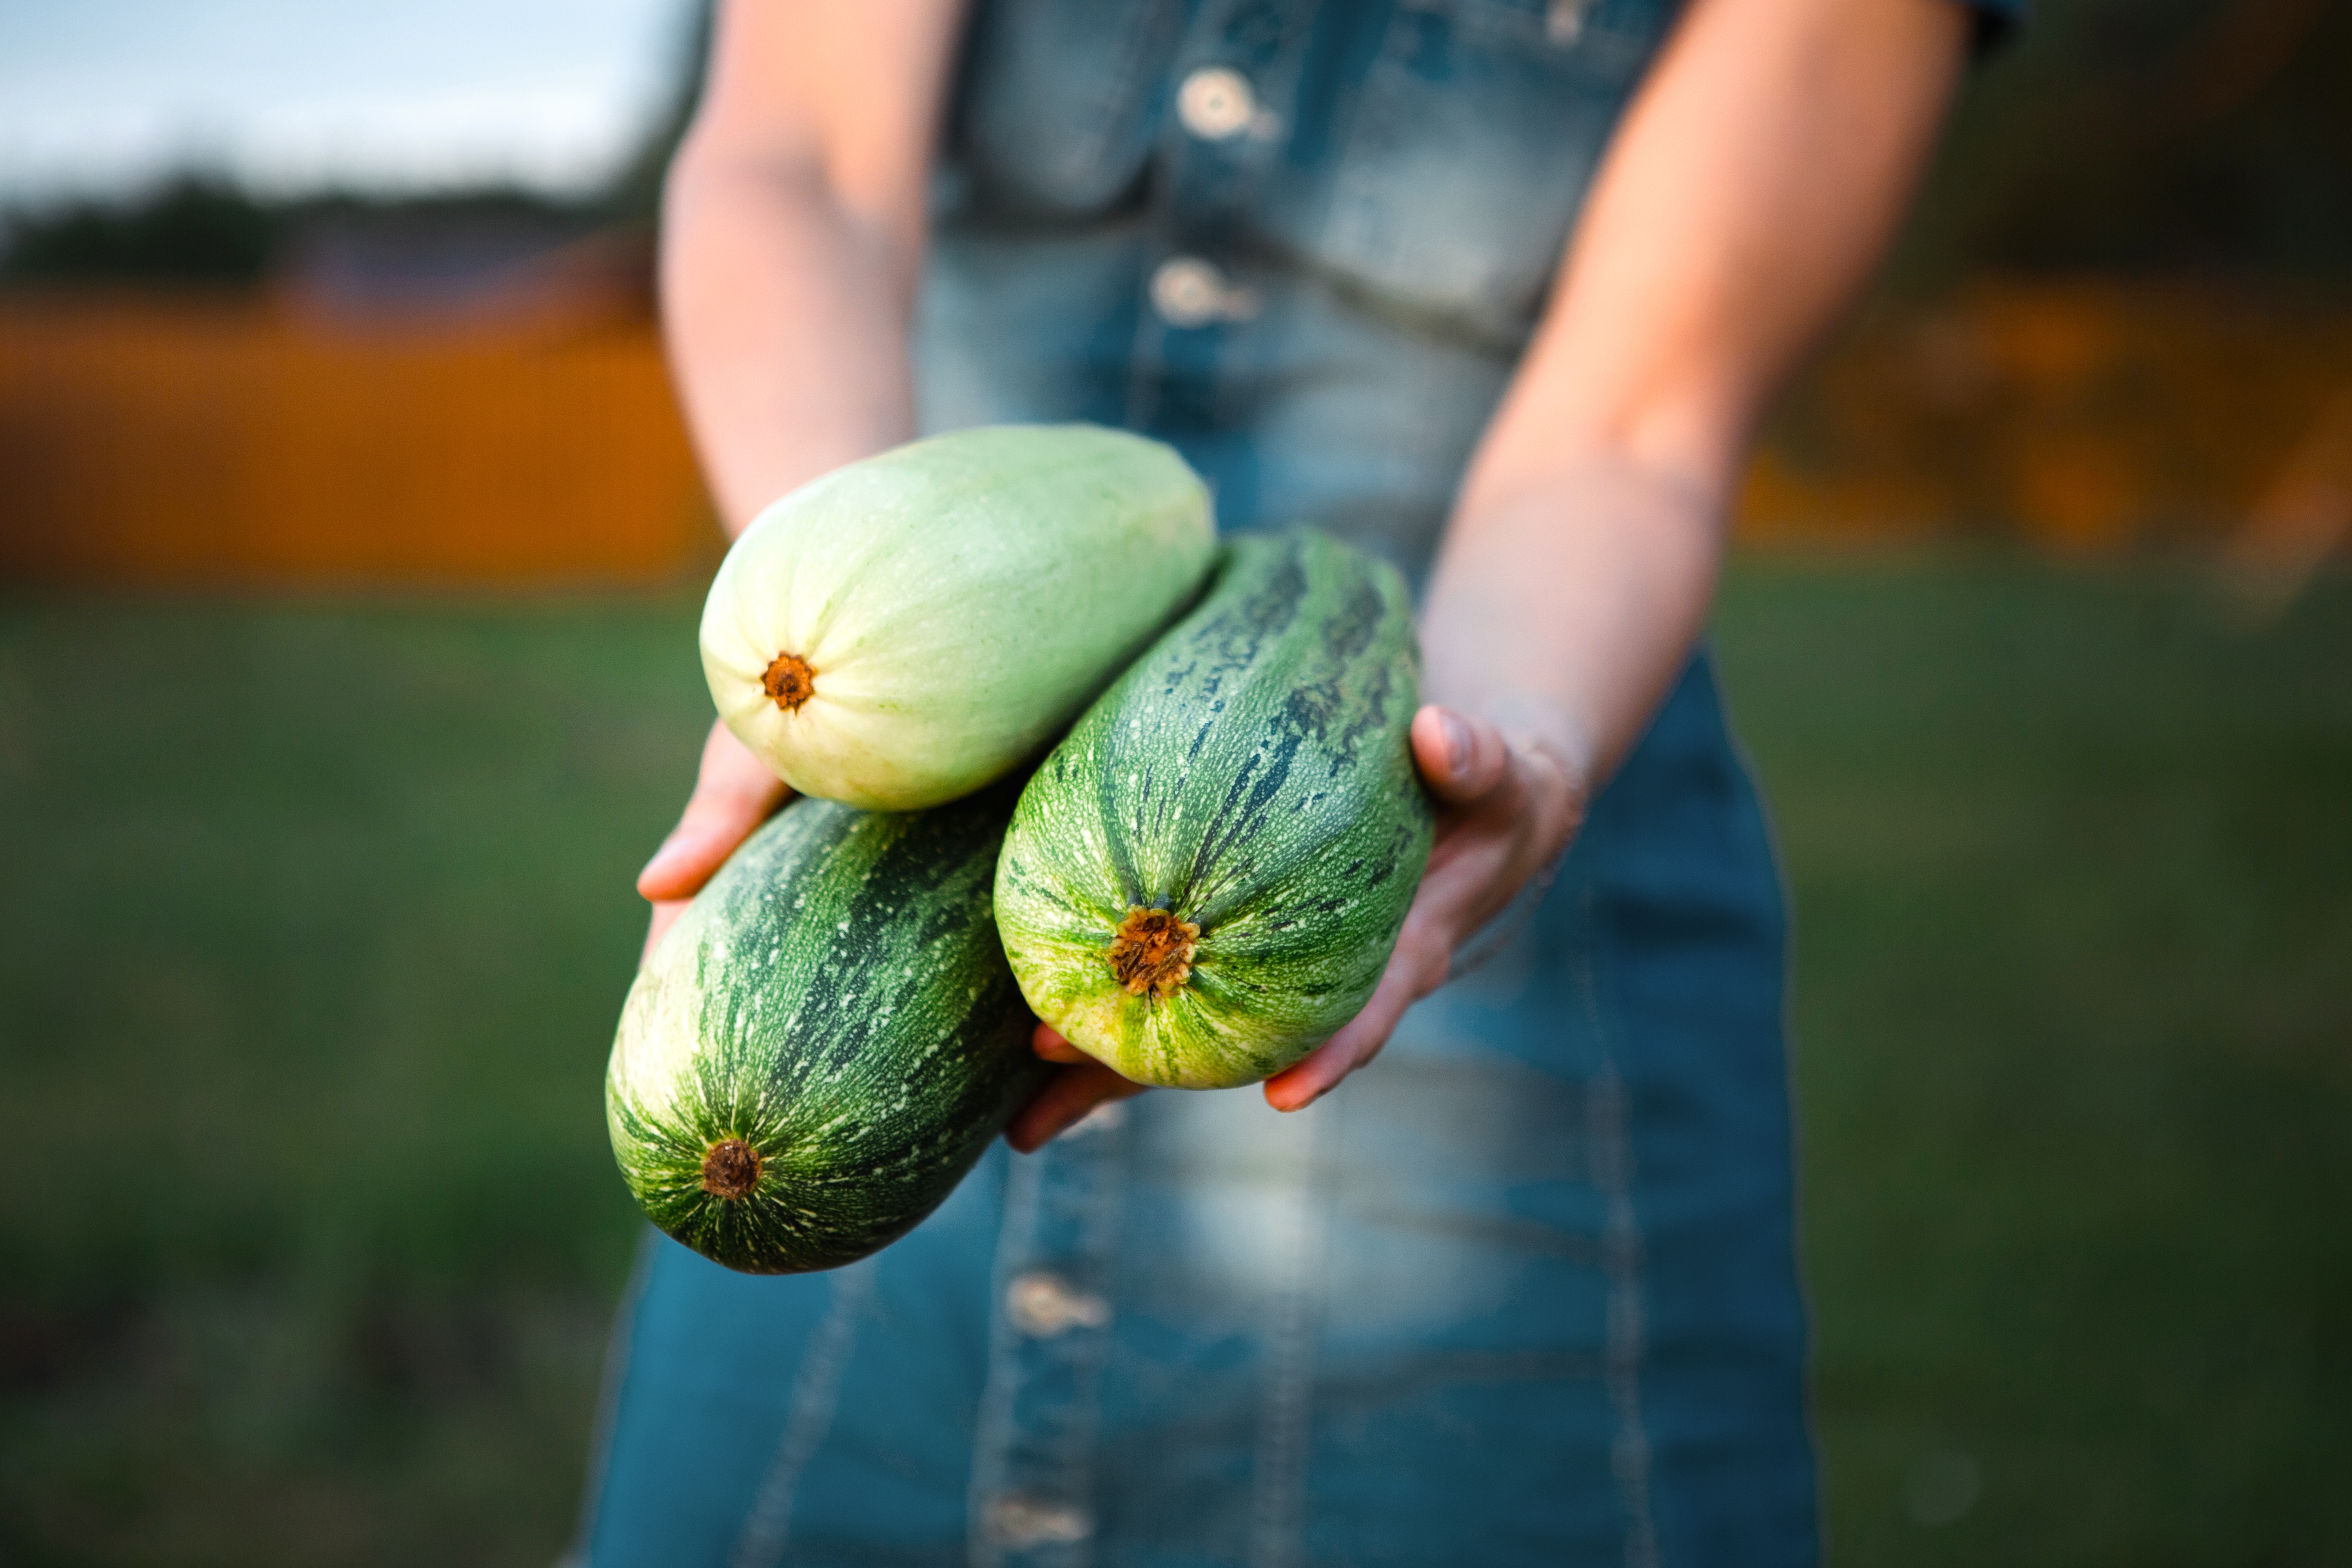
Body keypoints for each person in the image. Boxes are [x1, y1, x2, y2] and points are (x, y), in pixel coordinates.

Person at [570, 0, 2013, 1562]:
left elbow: (1643, 415)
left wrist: (1518, 724)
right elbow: (802, 164)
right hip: (885, 886)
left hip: (1490, 936)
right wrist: (857, 611)